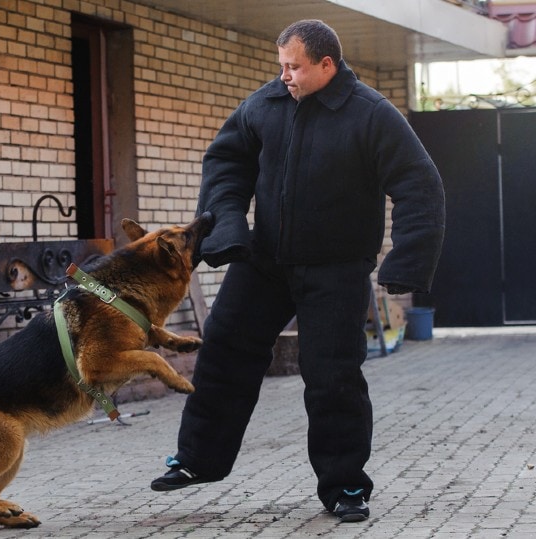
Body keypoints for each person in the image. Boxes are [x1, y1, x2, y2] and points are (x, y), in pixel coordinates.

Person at [150, 19, 445, 523]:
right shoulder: (262, 106)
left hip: (336, 268)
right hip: (264, 262)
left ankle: (345, 486)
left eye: (295, 67)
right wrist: (226, 231)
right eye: (281, 65)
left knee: (332, 376)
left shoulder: (371, 114)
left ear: (326, 65)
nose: (284, 76)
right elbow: (225, 165)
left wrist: (406, 265)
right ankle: (197, 461)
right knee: (223, 351)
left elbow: (420, 186)